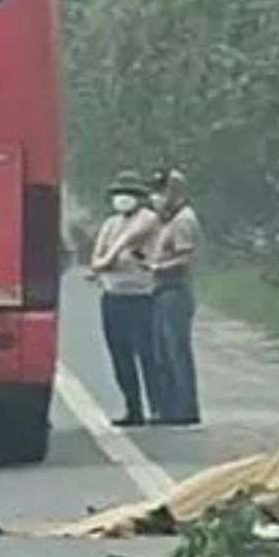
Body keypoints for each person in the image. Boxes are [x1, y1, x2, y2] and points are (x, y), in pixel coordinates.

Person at [89, 169, 161, 426]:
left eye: (129, 193)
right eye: (120, 193)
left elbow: (124, 244)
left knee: (148, 354)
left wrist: (109, 259)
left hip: (141, 296)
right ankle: (133, 408)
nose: (123, 198)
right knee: (120, 355)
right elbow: (96, 260)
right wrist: (107, 262)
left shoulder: (148, 218)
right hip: (113, 295)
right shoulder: (110, 223)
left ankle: (157, 407)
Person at [149, 169, 202, 426]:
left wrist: (159, 267)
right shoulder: (166, 220)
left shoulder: (183, 220)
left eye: (162, 191)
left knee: (176, 351)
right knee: (162, 352)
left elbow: (186, 256)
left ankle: (185, 409)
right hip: (161, 290)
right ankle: (168, 409)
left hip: (175, 290)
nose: (157, 197)